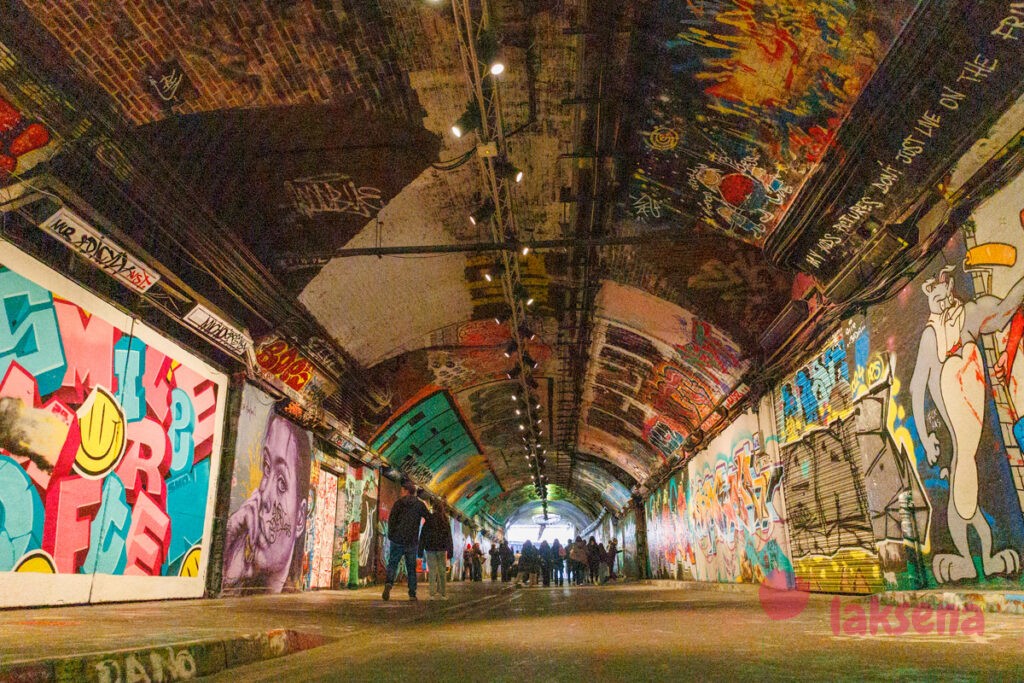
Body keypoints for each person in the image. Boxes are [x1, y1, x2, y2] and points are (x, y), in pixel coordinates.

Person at [223, 414, 311, 594]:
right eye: (267, 467)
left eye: (281, 483)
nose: (265, 497)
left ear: (300, 518)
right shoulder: (236, 567)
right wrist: (225, 575)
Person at [382, 479, 428, 601]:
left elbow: (391, 520)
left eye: (402, 490)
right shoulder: (419, 505)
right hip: (411, 541)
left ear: (406, 491)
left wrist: (391, 535)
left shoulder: (398, 503)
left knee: (392, 564)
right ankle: (412, 593)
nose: (401, 492)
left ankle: (388, 584)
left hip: (397, 539)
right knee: (411, 568)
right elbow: (428, 518)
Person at [419, 503, 453, 600]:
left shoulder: (429, 520)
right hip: (442, 549)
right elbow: (448, 537)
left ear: (433, 509)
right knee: (442, 571)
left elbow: (423, 535)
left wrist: (420, 550)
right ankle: (443, 594)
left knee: (432, 571)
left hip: (430, 549)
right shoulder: (445, 520)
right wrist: (450, 550)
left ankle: (432, 595)